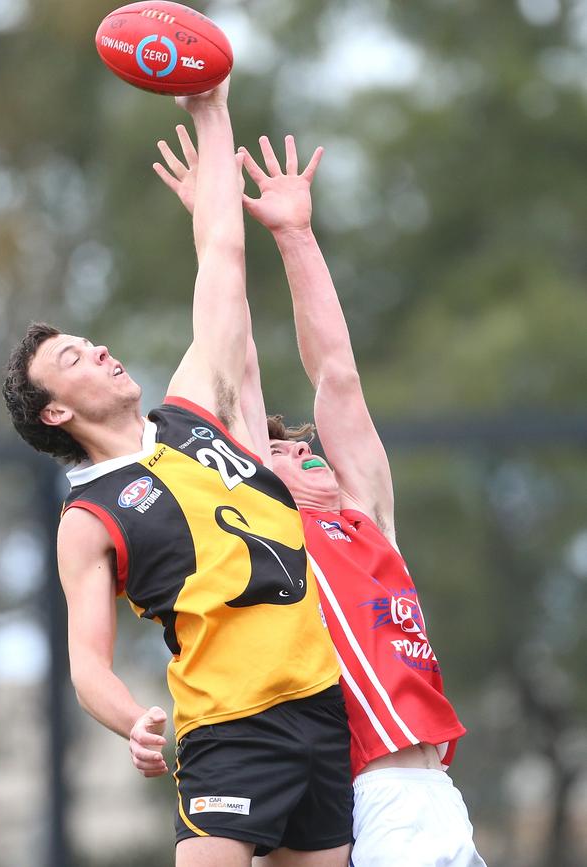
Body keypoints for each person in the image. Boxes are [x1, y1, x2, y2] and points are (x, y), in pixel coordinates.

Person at [2, 82, 353, 867]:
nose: (97, 349)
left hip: (317, 707)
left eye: (90, 341)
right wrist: (131, 717)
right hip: (227, 727)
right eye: (73, 358)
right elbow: (87, 662)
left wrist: (209, 105)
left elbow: (222, 260)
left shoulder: (193, 409)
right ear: (55, 413)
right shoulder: (89, 517)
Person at [234, 135, 488, 867]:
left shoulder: (366, 518)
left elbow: (337, 375)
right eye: (277, 450)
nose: (297, 448)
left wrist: (296, 234)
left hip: (436, 796)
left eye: (301, 443)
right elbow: (237, 371)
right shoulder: (278, 534)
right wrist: (215, 227)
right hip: (375, 801)